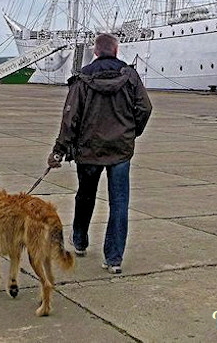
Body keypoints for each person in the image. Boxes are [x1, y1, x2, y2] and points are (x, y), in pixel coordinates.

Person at [47, 33, 152, 274]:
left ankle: (80, 240)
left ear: (95, 52)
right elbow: (145, 107)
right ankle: (113, 259)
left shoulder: (83, 78)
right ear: (116, 50)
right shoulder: (130, 76)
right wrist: (131, 131)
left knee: (85, 196)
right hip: (120, 150)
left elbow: (70, 116)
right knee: (119, 203)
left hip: (89, 149)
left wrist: (59, 149)